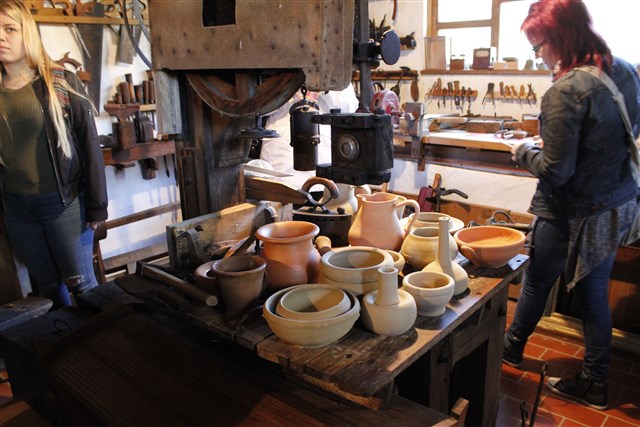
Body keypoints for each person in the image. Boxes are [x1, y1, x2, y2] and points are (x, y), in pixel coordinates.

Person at [503, 0, 640, 411]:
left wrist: (523, 151)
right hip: (616, 202)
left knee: (537, 282)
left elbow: (556, 172)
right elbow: (617, 133)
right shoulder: (624, 69)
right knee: (594, 293)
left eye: (537, 46)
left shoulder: (565, 91)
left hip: (572, 212)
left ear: (559, 38)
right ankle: (595, 383)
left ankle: (513, 349)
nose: (538, 55)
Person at [0, 0, 108, 309]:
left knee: (82, 286)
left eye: (10, 29)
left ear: (27, 33)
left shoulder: (59, 82)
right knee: (47, 290)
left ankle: (101, 339)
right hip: (17, 210)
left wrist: (97, 207)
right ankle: (65, 338)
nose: (1, 37)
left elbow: (89, 143)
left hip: (62, 204)